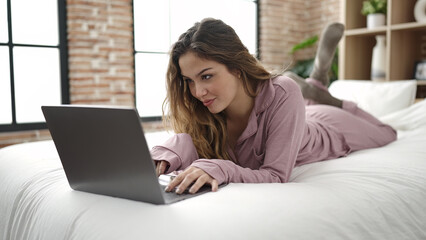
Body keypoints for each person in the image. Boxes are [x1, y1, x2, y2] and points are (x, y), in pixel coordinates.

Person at [150, 18, 397, 195]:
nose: (197, 92)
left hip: (329, 126)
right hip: (298, 113)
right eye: (189, 81)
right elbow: (193, 143)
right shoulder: (206, 106)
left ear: (236, 67)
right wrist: (167, 154)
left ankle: (327, 95)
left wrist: (222, 168)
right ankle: (316, 86)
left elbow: (276, 176)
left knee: (387, 132)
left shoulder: (282, 91)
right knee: (300, 101)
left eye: (206, 76)